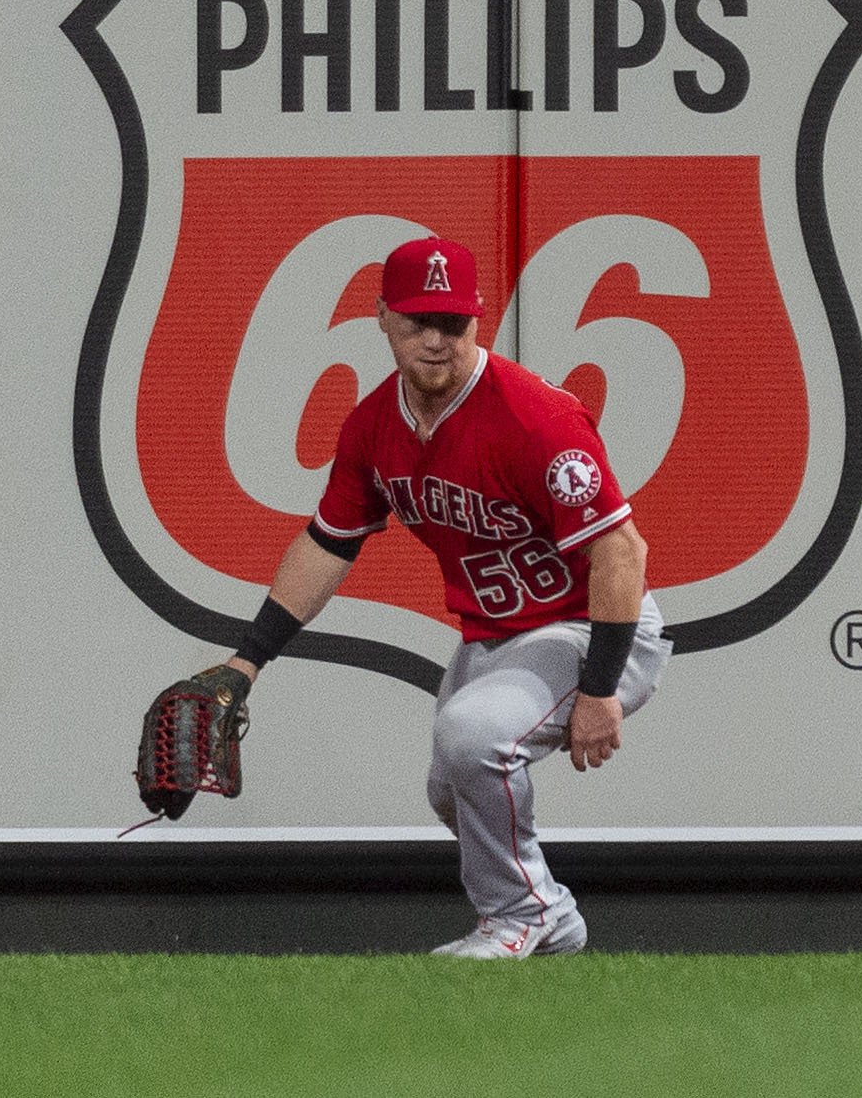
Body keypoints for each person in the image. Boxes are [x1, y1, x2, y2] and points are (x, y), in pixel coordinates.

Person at [172, 233, 661, 959]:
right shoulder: (374, 426)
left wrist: (599, 689)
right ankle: (541, 917)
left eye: (453, 322)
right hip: (495, 635)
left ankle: (526, 914)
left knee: (472, 738)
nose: (436, 340)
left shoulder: (534, 418)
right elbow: (328, 542)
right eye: (417, 322)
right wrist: (248, 661)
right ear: (381, 317)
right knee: (451, 787)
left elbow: (621, 551)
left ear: (478, 318)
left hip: (590, 626)